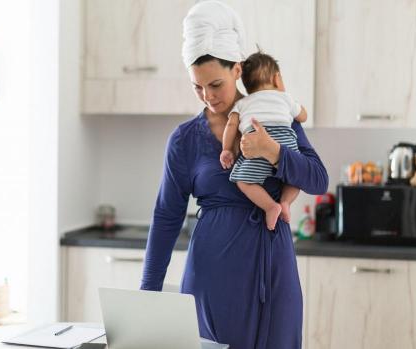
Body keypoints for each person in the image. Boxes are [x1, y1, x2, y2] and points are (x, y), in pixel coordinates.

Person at [141, 1, 328, 348]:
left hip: (274, 270)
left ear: (237, 70)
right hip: (212, 278)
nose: (208, 97)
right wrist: (147, 294)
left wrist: (273, 151)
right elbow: (167, 216)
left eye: (216, 84)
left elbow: (317, 179)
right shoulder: (184, 140)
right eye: (197, 87)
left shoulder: (274, 114)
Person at [220, 50, 308, 231]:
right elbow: (303, 116)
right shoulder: (285, 98)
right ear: (277, 79)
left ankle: (271, 206)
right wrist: (296, 108)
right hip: (285, 144)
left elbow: (231, 125)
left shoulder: (243, 103)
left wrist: (226, 149)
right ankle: (285, 202)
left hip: (255, 147)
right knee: (295, 177)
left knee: (243, 181)